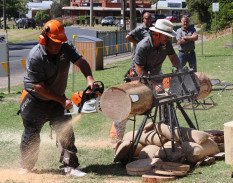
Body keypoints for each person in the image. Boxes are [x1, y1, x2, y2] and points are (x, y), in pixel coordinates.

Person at [18, 20, 96, 177]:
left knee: (66, 131)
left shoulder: (65, 48)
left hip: (58, 99)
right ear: (44, 38)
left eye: (60, 42)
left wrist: (89, 79)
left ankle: (71, 166)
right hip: (35, 100)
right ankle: (26, 166)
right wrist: (62, 100)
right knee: (31, 133)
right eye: (54, 42)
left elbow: (81, 62)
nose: (58, 45)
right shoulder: (36, 56)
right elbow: (38, 86)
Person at [112, 19, 182, 140]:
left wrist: (181, 69)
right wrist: (153, 85)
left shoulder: (166, 43)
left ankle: (170, 131)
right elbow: (139, 69)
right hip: (137, 77)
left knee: (167, 99)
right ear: (157, 34)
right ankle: (116, 137)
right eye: (166, 35)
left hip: (155, 74)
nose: (168, 38)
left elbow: (173, 57)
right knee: (126, 106)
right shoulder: (143, 46)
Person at [110, 12, 153, 141]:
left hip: (147, 66)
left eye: (150, 18)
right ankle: (116, 134)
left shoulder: (153, 30)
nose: (149, 20)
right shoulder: (140, 29)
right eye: (147, 18)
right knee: (128, 100)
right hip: (137, 66)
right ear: (143, 19)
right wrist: (138, 42)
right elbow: (128, 36)